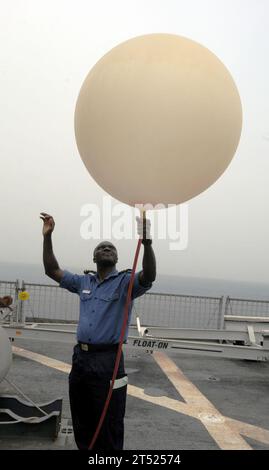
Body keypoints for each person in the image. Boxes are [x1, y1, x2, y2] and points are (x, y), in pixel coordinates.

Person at [40, 212, 156, 450]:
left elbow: (149, 275)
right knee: (82, 418)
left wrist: (147, 244)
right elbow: (52, 270)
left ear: (116, 257)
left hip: (109, 360)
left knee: (109, 421)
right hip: (81, 358)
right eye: (101, 247)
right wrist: (47, 237)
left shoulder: (125, 283)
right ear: (94, 257)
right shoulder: (84, 282)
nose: (106, 248)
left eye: (110, 247)